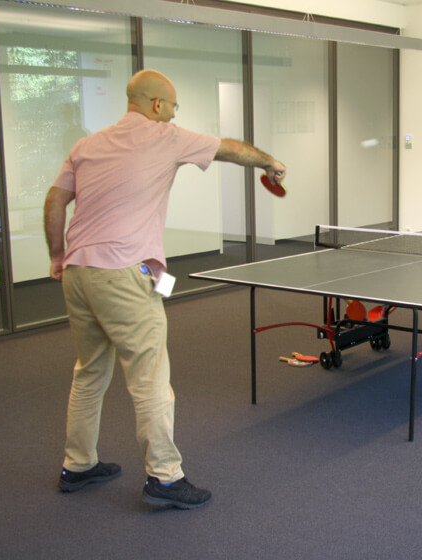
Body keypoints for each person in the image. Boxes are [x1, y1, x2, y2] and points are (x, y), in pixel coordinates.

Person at [44, 69, 286, 509]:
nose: (175, 114)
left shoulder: (86, 145)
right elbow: (232, 149)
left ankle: (77, 465)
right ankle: (165, 478)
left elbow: (55, 199)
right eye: (174, 106)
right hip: (121, 275)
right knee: (151, 379)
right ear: (157, 105)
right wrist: (270, 162)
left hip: (79, 274)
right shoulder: (164, 135)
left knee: (90, 371)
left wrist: (58, 255)